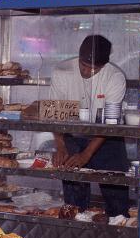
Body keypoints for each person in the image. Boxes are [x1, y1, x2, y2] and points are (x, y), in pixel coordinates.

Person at [49, 34, 130, 217]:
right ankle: (75, 233)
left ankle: (118, 231)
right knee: (73, 205)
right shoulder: (61, 72)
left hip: (107, 139)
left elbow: (110, 123)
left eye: (93, 68)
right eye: (83, 66)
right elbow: (55, 114)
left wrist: (86, 154)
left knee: (116, 200)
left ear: (104, 65)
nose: (86, 72)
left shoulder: (115, 77)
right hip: (72, 136)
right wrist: (61, 146)